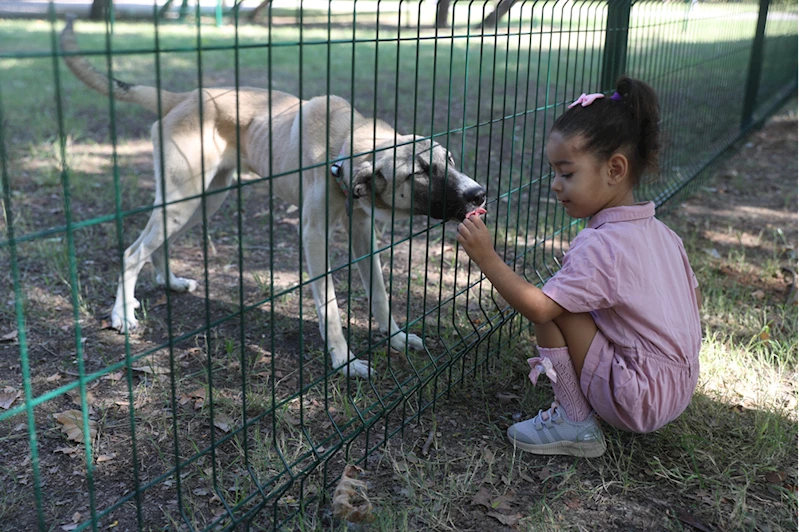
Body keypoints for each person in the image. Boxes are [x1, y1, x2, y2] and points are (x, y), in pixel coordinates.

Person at [456, 77, 702, 458]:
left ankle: (574, 421)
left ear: (615, 170)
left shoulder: (601, 245)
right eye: (554, 172)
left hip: (637, 397)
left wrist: (487, 258)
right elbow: (694, 299)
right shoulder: (665, 235)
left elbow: (540, 309)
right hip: (680, 385)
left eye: (567, 173)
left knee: (554, 305)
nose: (556, 185)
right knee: (571, 299)